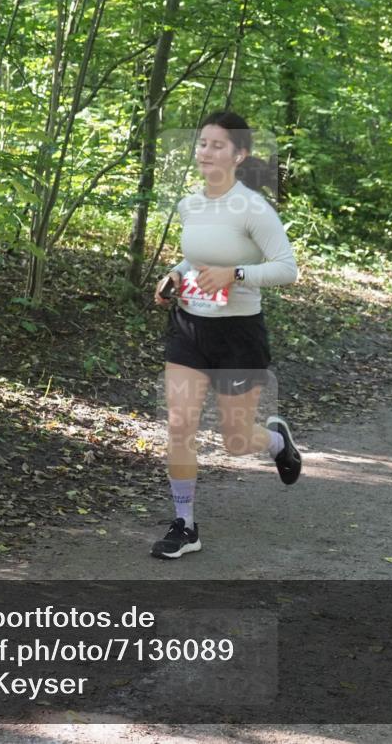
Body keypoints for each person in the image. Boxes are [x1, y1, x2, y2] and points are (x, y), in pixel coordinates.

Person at [151, 110, 301, 559]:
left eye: (218, 146)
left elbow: (287, 269)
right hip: (188, 328)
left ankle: (276, 442)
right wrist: (174, 277)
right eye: (202, 144)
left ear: (240, 155)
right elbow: (192, 259)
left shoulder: (255, 208)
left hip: (238, 333)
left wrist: (235, 273)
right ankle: (185, 524)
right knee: (179, 426)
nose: (206, 152)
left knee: (236, 441)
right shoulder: (190, 205)